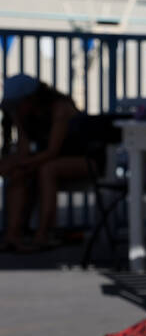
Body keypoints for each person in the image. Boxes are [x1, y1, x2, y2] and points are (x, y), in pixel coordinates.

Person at [0, 75, 94, 252]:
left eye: (17, 105)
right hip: (50, 161)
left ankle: (43, 234)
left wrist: (18, 164)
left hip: (85, 160)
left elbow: (53, 151)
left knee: (47, 169)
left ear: (31, 98)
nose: (15, 110)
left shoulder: (60, 108)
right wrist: (15, 164)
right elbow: (24, 150)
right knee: (20, 173)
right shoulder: (22, 114)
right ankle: (13, 235)